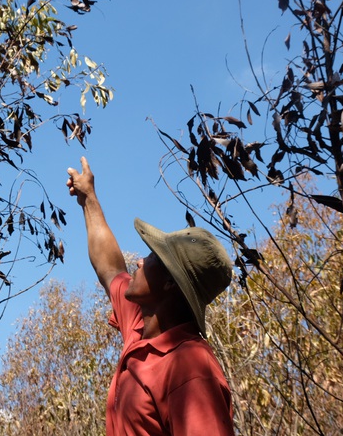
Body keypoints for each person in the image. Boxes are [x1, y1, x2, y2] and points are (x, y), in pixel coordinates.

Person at [66, 157, 235, 436]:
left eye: (154, 256)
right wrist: (89, 199)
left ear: (170, 283)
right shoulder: (140, 329)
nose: (141, 261)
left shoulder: (191, 368)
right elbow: (110, 269)